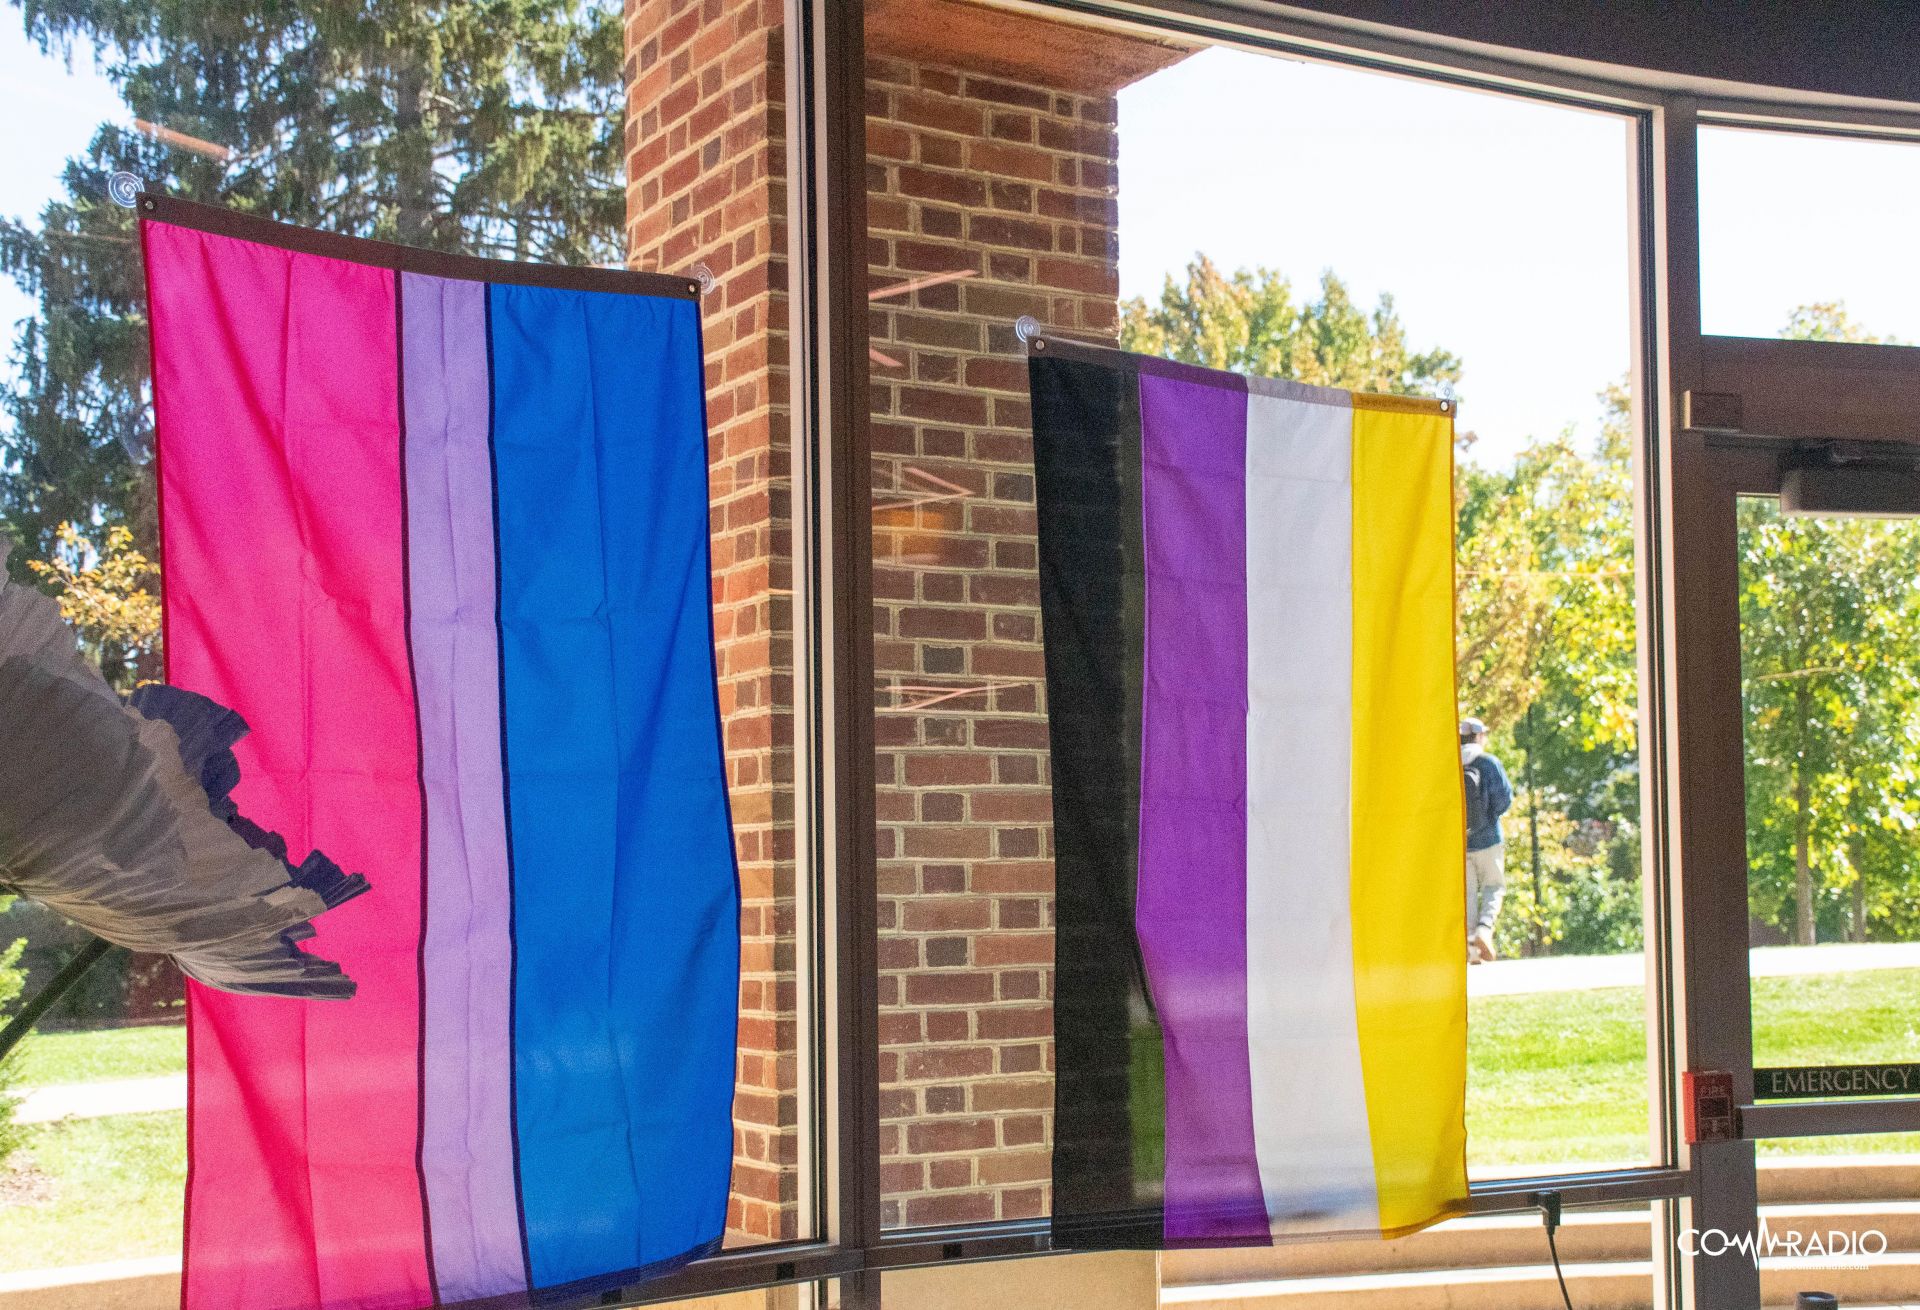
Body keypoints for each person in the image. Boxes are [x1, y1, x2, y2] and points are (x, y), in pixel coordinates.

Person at [1461, 717, 1513, 964]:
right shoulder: (1488, 763)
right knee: (1494, 886)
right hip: (1489, 838)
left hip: (1460, 844)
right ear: (1480, 736)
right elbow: (1504, 800)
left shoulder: (1449, 764)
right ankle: (1484, 929)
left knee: (1467, 893)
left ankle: (1471, 951)